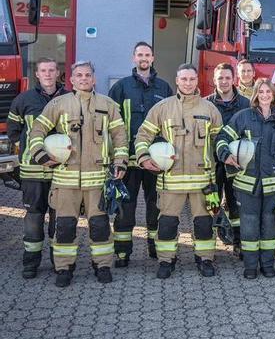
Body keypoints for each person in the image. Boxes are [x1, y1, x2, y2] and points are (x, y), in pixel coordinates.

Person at [28, 61, 128, 287]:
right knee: (64, 228)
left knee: (100, 227)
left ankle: (102, 265)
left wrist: (120, 161)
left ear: (94, 79)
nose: (83, 78)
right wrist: (41, 155)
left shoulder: (108, 104)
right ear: (71, 80)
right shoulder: (58, 104)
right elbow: (37, 131)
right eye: (79, 75)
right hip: (65, 181)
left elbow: (120, 136)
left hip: (97, 180)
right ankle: (64, 269)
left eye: (88, 75)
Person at [135, 64, 224, 279]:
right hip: (170, 181)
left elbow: (220, 139)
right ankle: (166, 261)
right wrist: (144, 158)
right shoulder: (162, 108)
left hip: (202, 181)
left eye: (192, 79)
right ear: (177, 81)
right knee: (166, 223)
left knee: (203, 224)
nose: (188, 83)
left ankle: (205, 259)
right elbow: (142, 136)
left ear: (197, 80)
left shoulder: (209, 109)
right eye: (183, 79)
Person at [216, 79, 275, 278]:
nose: (264, 95)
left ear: (273, 95)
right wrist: (226, 155)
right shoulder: (243, 117)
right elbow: (222, 138)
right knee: (249, 225)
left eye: (268, 92)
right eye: (260, 91)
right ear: (255, 95)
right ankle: (250, 266)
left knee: (270, 225)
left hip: (274, 184)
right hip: (246, 184)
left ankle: (268, 265)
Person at [108, 42, 174, 266]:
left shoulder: (164, 88)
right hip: (129, 161)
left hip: (156, 161)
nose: (143, 58)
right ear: (133, 58)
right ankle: (122, 252)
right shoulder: (121, 87)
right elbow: (112, 125)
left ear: (153, 58)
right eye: (139, 55)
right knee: (125, 207)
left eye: (147, 54)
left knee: (156, 205)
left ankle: (154, 248)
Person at [8, 57, 67, 278]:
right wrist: (28, 151)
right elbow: (14, 131)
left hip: (61, 171)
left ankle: (57, 261)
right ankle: (30, 263)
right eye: (44, 70)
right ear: (38, 74)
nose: (48, 74)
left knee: (59, 217)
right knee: (34, 216)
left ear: (58, 72)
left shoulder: (68, 98)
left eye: (52, 70)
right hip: (32, 172)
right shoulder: (24, 100)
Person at [205, 63, 250, 255]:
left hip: (237, 163)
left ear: (234, 80)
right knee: (211, 204)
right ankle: (208, 247)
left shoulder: (246, 103)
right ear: (214, 80)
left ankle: (239, 243)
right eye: (220, 78)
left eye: (227, 78)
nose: (224, 82)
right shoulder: (205, 104)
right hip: (212, 162)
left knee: (236, 204)